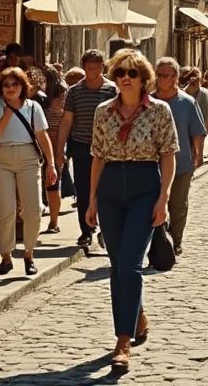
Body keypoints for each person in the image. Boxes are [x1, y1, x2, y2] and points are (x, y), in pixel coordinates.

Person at [84, 50, 178, 374]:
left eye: (132, 73)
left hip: (144, 186)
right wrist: (92, 200)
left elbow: (168, 155)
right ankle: (136, 317)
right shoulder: (103, 112)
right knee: (117, 264)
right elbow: (97, 156)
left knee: (130, 264)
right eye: (121, 72)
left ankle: (123, 342)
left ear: (143, 79)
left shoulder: (159, 111)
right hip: (110, 188)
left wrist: (163, 199)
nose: (126, 77)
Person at [0, 67, 57, 276]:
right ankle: (6, 256)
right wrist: (7, 113)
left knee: (33, 209)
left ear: (23, 86)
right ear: (1, 87)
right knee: (6, 210)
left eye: (15, 84)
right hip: (0, 157)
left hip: (28, 157)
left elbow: (42, 136)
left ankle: (29, 253)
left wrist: (51, 164)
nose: (11, 88)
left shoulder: (33, 107)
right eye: (6, 85)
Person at [56, 50, 116, 250]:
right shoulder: (75, 91)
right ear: (84, 68)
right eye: (89, 68)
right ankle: (86, 231)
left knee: (105, 190)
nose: (93, 72)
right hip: (82, 146)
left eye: (96, 68)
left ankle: (106, 230)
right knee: (83, 190)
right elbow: (66, 121)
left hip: (107, 148)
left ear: (102, 67)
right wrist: (60, 150)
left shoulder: (112, 90)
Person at [151, 57, 204, 260]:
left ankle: (176, 240)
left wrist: (197, 155)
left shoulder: (187, 103)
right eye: (159, 75)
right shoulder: (148, 101)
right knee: (153, 205)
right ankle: (158, 240)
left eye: (166, 75)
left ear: (175, 77)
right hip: (151, 165)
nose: (162, 79)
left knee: (178, 205)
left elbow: (197, 132)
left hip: (181, 163)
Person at [42, 79, 66, 234]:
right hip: (54, 154)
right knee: (53, 188)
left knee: (51, 187)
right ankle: (53, 221)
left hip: (47, 154)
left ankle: (53, 221)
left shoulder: (45, 113)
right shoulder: (63, 115)